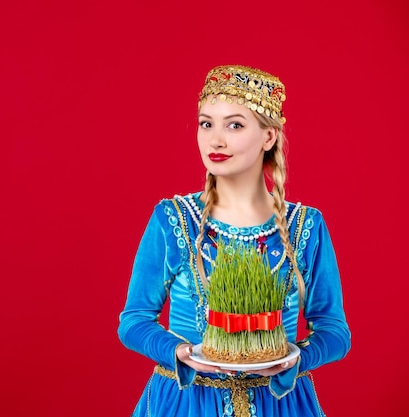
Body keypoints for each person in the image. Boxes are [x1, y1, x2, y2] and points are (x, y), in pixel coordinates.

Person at [117, 65, 351, 417]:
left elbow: (334, 330)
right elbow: (134, 320)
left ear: (268, 137)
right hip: (187, 402)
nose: (215, 140)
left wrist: (298, 357)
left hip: (280, 404)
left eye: (235, 125)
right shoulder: (174, 219)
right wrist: (180, 352)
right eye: (206, 123)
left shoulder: (306, 226)